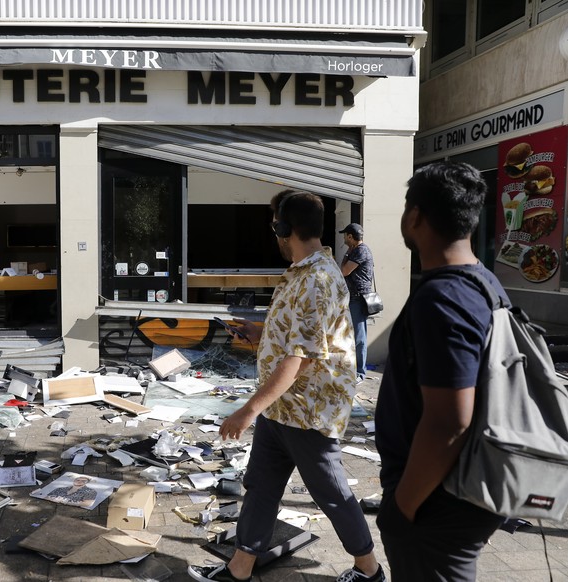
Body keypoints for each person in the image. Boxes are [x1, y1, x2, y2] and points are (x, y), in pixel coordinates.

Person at [188, 190, 385, 582]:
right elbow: (300, 335)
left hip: (308, 412)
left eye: (274, 223)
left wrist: (247, 410)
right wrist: (261, 332)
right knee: (260, 486)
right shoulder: (302, 271)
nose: (272, 231)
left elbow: (300, 358)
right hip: (282, 409)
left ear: (283, 227)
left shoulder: (317, 279)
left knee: (331, 494)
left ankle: (369, 569)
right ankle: (239, 569)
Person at [374, 161, 507, 581]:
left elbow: (450, 420)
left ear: (415, 217)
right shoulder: (486, 283)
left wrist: (403, 506)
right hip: (468, 484)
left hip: (438, 498)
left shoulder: (443, 298)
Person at [339, 223, 374, 383]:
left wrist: (347, 252)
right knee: (352, 336)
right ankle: (353, 369)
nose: (344, 239)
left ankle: (360, 373)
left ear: (350, 237)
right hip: (353, 298)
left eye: (345, 236)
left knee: (359, 337)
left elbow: (344, 271)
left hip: (358, 299)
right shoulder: (356, 250)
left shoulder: (361, 251)